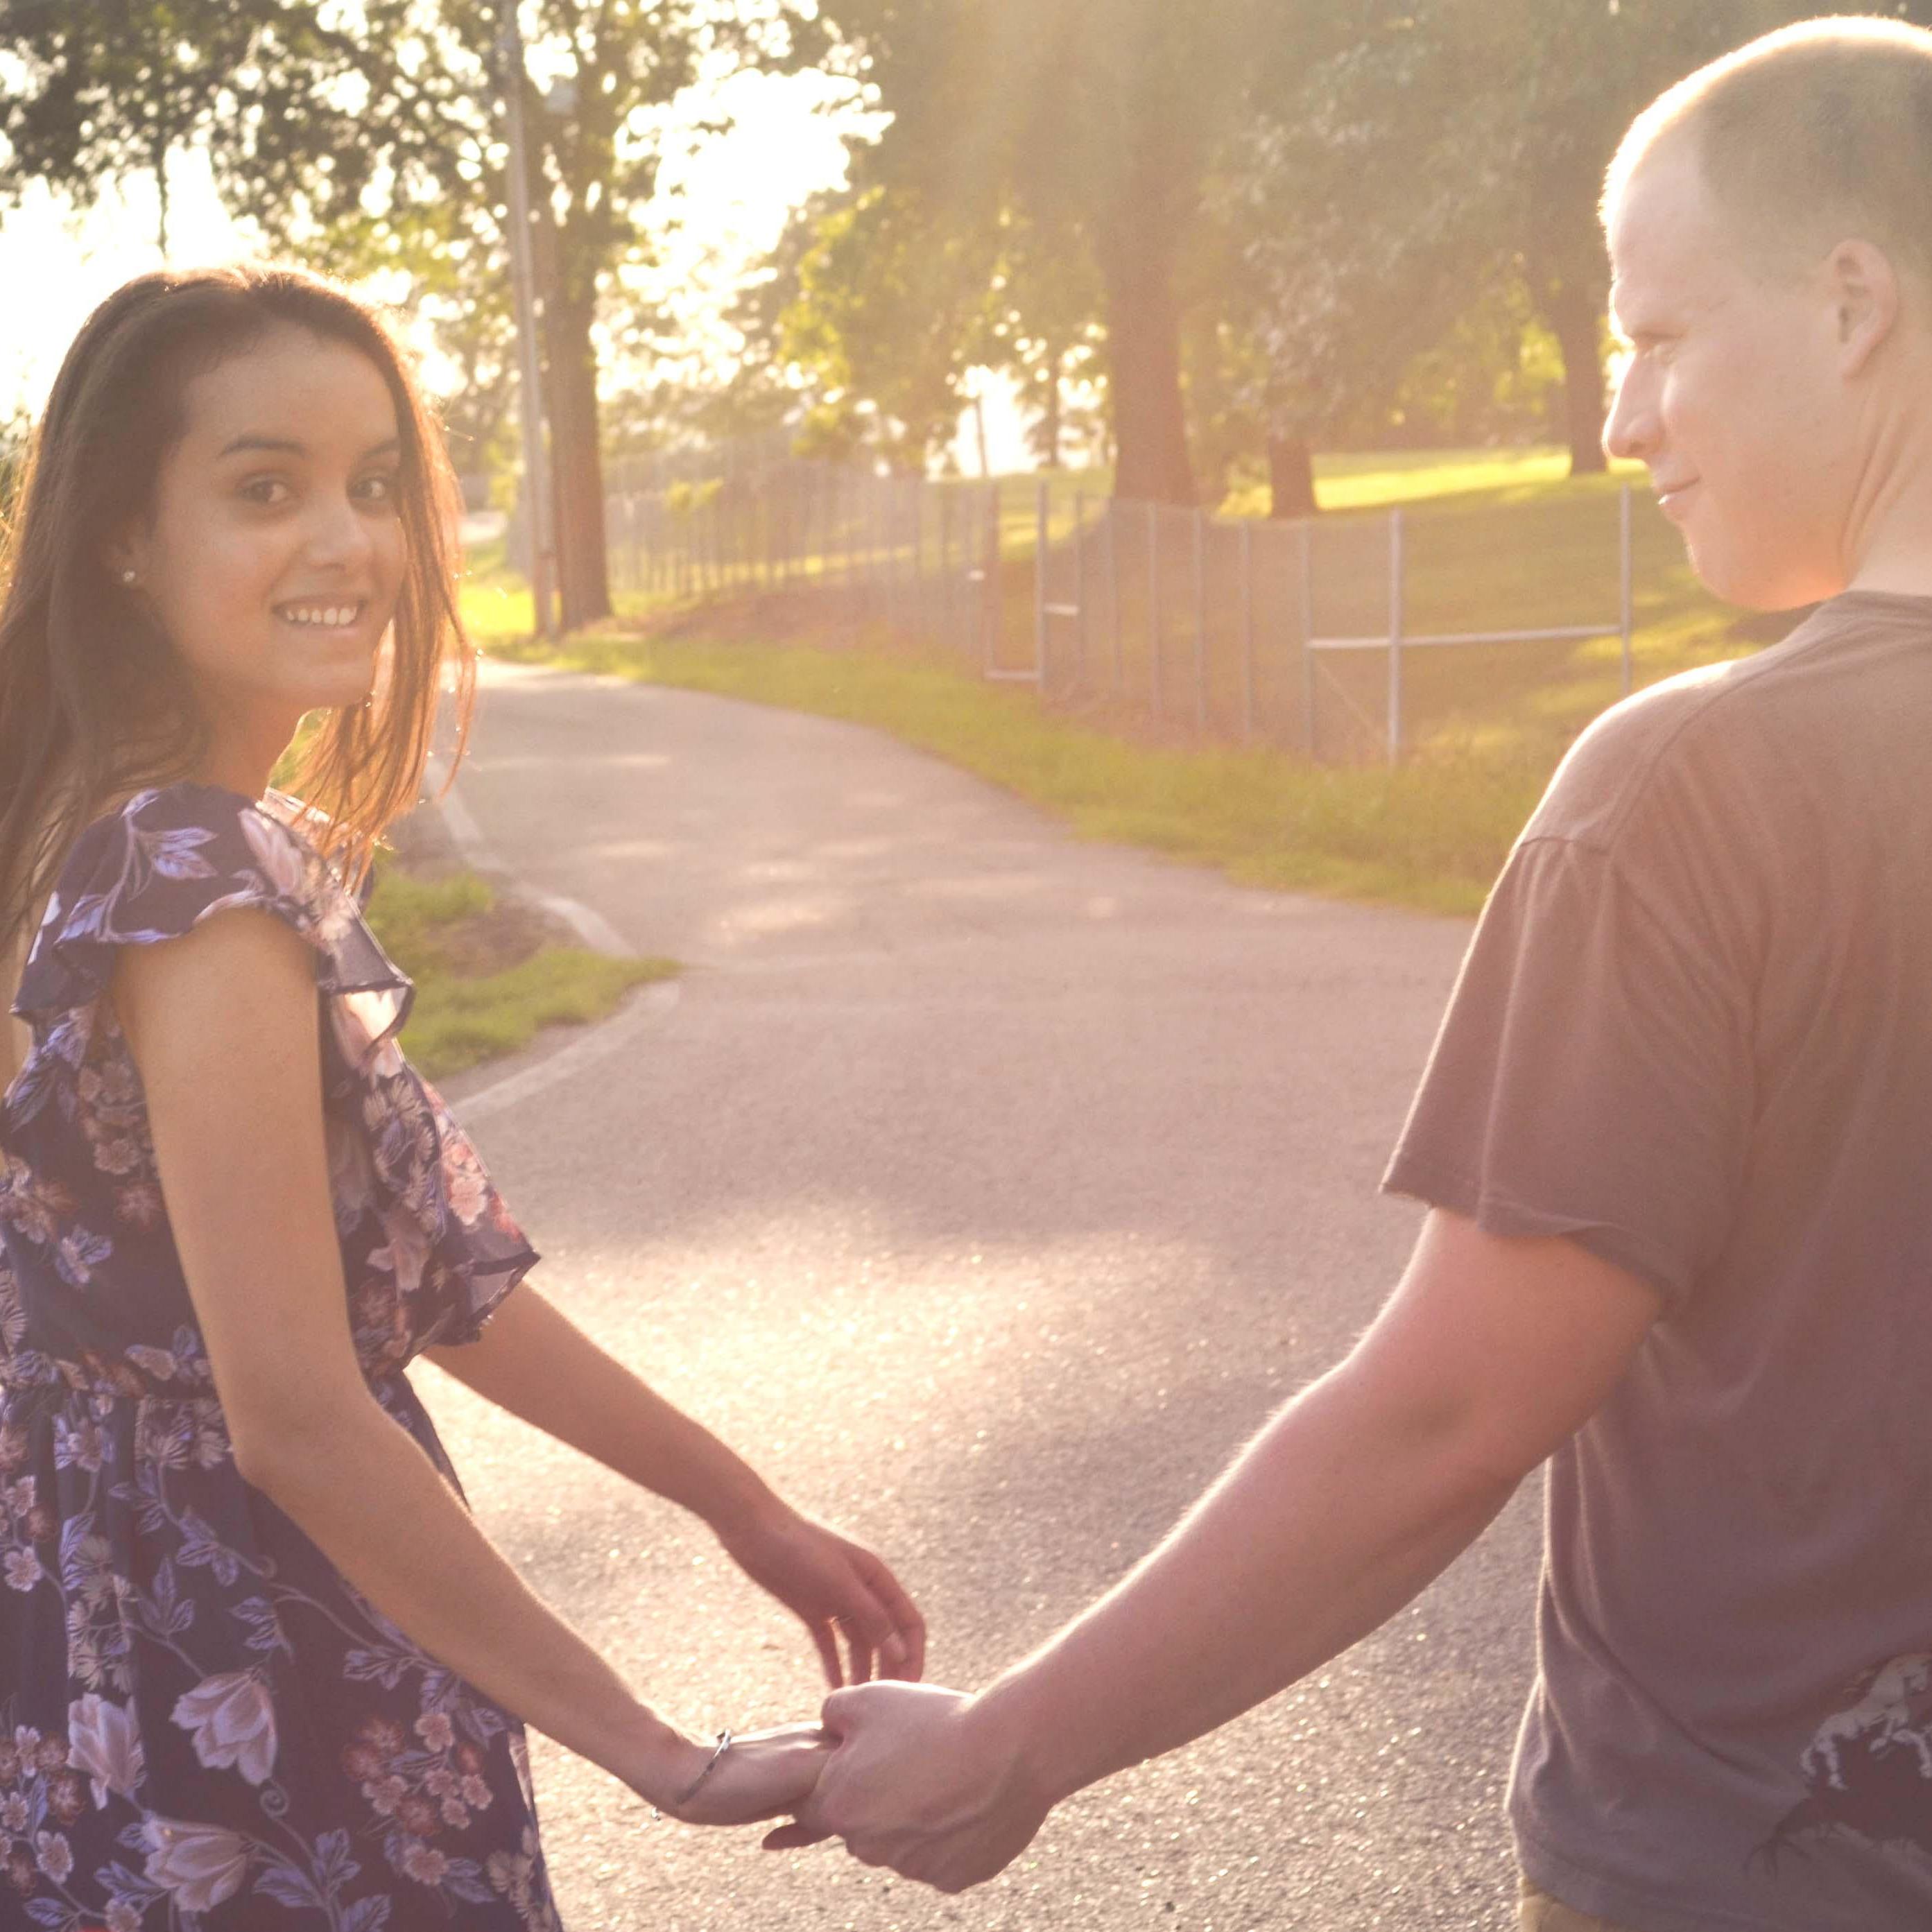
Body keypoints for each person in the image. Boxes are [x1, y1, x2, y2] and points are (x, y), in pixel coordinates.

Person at [774, 19, 1932, 1931]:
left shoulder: (1685, 799)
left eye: (1654, 334)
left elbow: (1443, 1419)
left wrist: (1009, 1744)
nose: (1621, 418)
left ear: (1849, 301)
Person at [0, 264, 923, 1931]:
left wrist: (740, 1505)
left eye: (376, 485)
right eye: (265, 488)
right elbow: (292, 1410)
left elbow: (424, 1283)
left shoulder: (90, 832)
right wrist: (667, 1755)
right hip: (260, 1686)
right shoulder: (196, 879)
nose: (347, 541)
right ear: (127, 538)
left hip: (101, 1667)